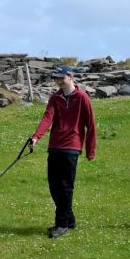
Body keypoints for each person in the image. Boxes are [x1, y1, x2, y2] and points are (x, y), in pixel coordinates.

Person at [30, 66, 96, 238]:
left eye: (61, 78)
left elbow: (91, 125)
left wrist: (90, 150)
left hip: (71, 147)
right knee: (54, 186)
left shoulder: (82, 97)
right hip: (55, 146)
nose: (58, 81)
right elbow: (47, 118)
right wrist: (36, 137)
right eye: (56, 78)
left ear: (70, 76)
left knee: (65, 187)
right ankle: (70, 219)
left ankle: (62, 225)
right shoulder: (55, 98)